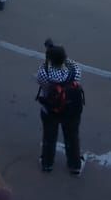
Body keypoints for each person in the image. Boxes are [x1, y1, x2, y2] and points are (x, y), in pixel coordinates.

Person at [35, 41, 85, 175]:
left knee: (49, 137)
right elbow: (71, 65)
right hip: (71, 110)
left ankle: (47, 164)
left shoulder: (44, 73)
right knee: (72, 138)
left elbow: (41, 84)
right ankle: (75, 166)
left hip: (50, 109)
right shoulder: (75, 71)